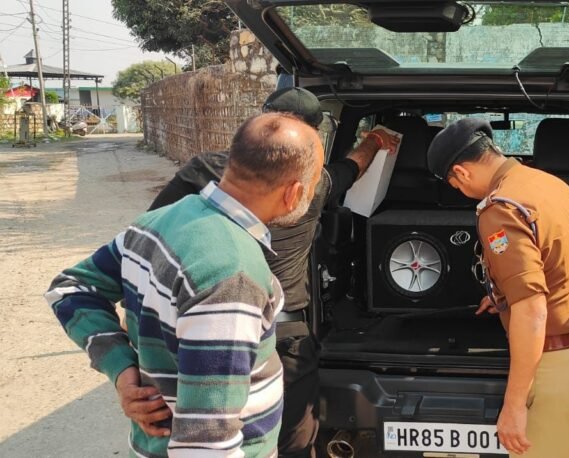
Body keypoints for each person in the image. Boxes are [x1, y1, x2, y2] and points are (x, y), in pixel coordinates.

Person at [45, 112, 325, 457]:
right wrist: (122, 370)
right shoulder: (233, 276)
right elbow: (206, 444)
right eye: (313, 184)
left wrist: (121, 368)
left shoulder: (156, 222)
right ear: (294, 193)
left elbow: (71, 288)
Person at [143, 87, 399, 457]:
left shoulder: (204, 170)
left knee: (208, 432)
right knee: (292, 441)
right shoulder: (312, 184)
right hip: (284, 336)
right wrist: (374, 140)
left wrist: (132, 359)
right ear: (311, 136)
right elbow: (353, 166)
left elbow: (151, 240)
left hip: (207, 331)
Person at [426, 118, 569, 457]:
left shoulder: (501, 209)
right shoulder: (548, 184)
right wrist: (503, 296)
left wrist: (513, 406)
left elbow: (532, 310)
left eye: (454, 184)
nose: (459, 192)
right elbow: (557, 265)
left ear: (461, 172)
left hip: (555, 368)